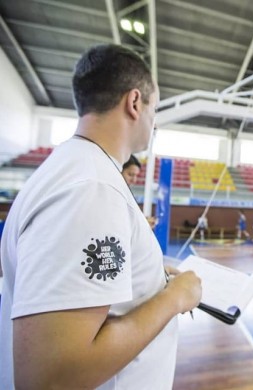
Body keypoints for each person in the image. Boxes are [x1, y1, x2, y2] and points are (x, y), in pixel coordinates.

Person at [0, 44, 202, 390]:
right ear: (135, 102)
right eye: (155, 109)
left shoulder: (77, 170)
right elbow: (49, 378)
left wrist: (149, 276)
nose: (154, 124)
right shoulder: (90, 188)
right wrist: (175, 298)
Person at [122, 155, 157, 229]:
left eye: (136, 176)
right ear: (119, 170)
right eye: (130, 174)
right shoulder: (115, 193)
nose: (134, 180)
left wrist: (143, 222)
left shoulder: (127, 193)